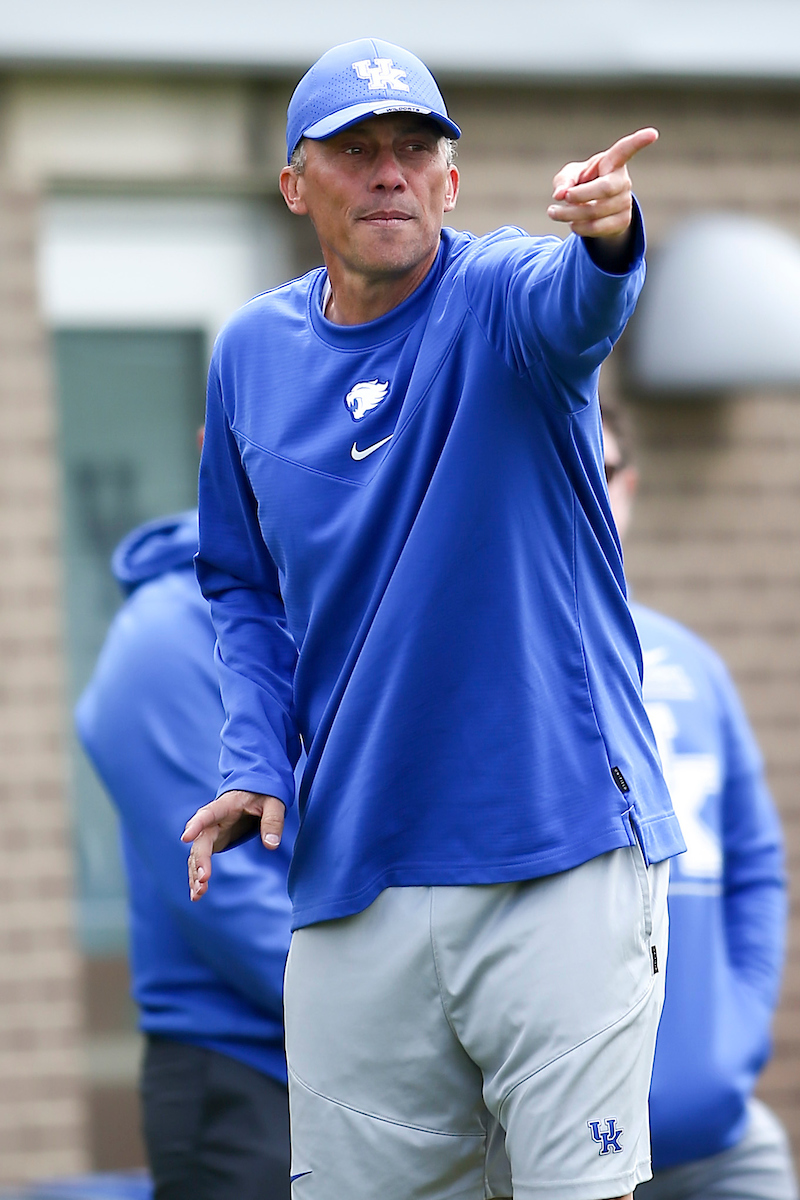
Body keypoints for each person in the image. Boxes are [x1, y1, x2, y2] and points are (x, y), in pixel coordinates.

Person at [183, 37, 686, 1200]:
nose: (388, 173)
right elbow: (239, 584)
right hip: (354, 869)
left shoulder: (502, 296)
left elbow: (580, 305)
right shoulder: (250, 353)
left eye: (414, 149)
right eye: (353, 151)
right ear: (293, 185)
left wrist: (608, 234)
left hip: (557, 843)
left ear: (450, 182)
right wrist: (255, 757)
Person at [601, 399, 797, 1200]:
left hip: (717, 1140)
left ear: (630, 487)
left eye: (601, 470)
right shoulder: (470, 661)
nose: (581, 490)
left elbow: (756, 869)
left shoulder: (692, 663)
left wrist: (733, 1045)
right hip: (549, 1150)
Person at [76, 509, 298, 1200]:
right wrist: (395, 1017)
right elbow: (227, 897)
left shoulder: (336, 595)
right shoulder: (161, 635)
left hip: (356, 1063)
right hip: (243, 1077)